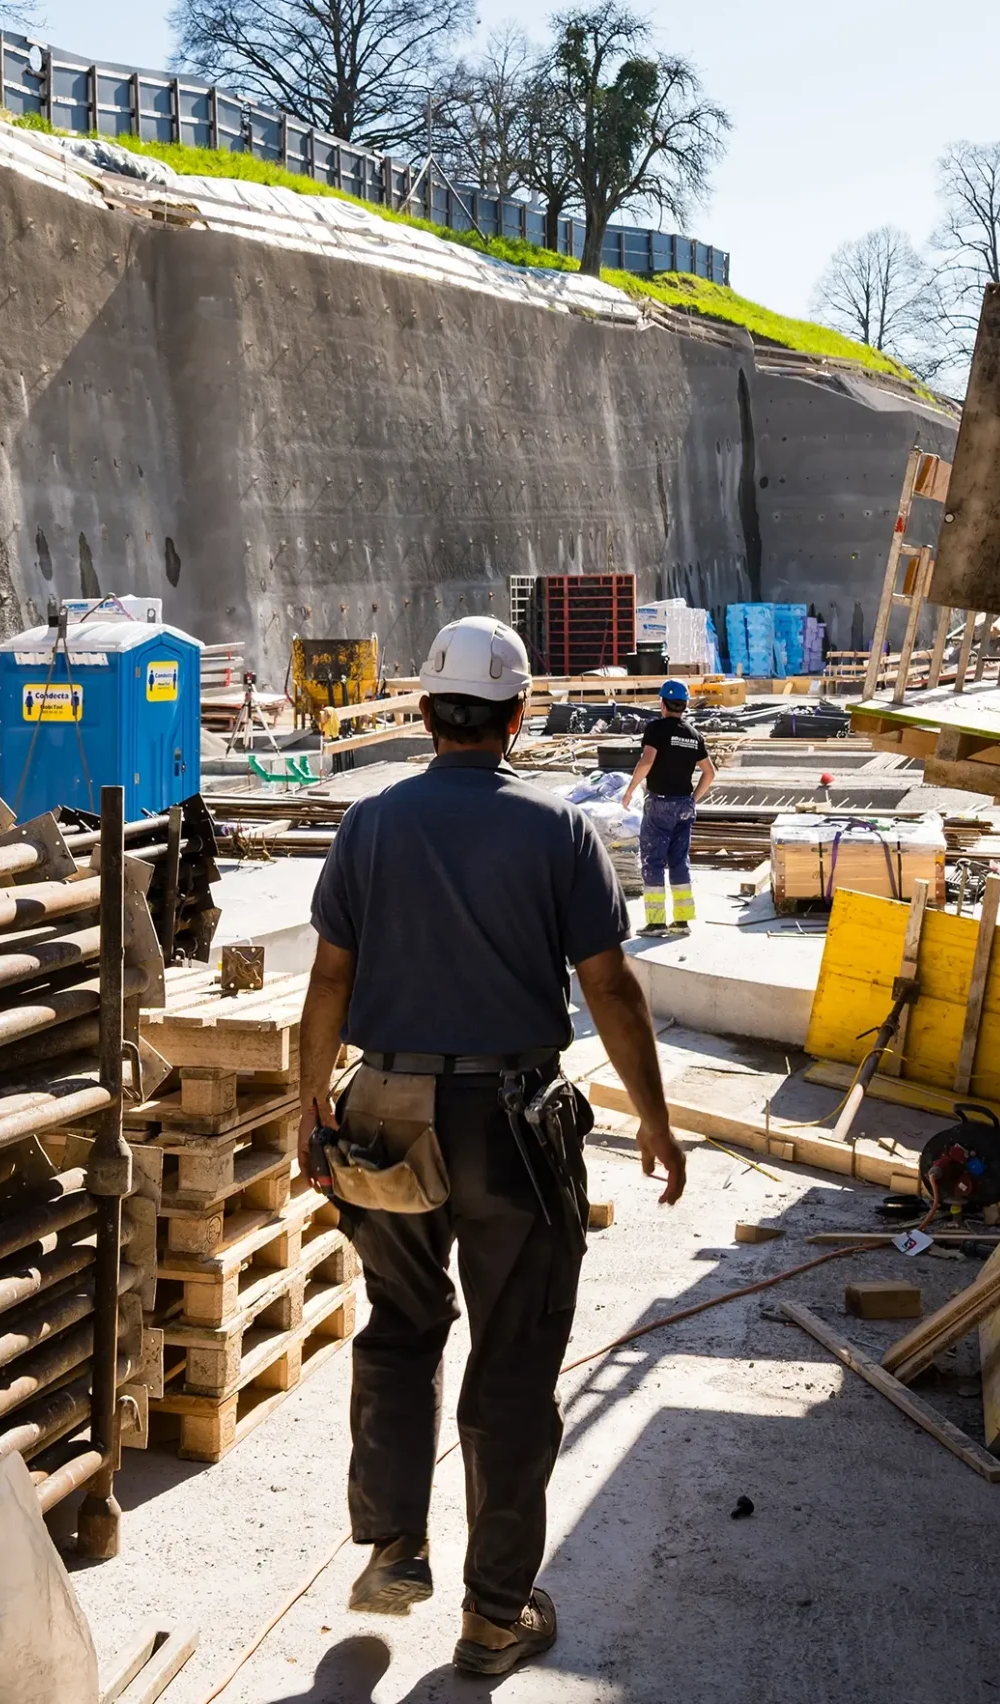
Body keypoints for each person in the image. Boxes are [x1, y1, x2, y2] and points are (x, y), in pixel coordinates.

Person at [298, 616, 685, 1680]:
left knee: (400, 1325)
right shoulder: (557, 830)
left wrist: (310, 1109)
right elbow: (610, 987)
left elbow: (328, 978)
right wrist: (654, 1118)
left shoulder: (370, 825)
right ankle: (493, 1615)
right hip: (511, 1124)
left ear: (426, 712)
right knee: (512, 1359)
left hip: (385, 1112)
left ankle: (393, 1544)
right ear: (518, 717)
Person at [622, 679, 717, 935]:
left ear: (662, 704)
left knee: (653, 861)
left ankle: (656, 922)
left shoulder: (656, 729)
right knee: (679, 861)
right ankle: (682, 922)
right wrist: (693, 799)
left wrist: (630, 790)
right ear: (685, 705)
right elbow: (709, 772)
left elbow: (647, 761)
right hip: (684, 805)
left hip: (660, 804)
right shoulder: (694, 735)